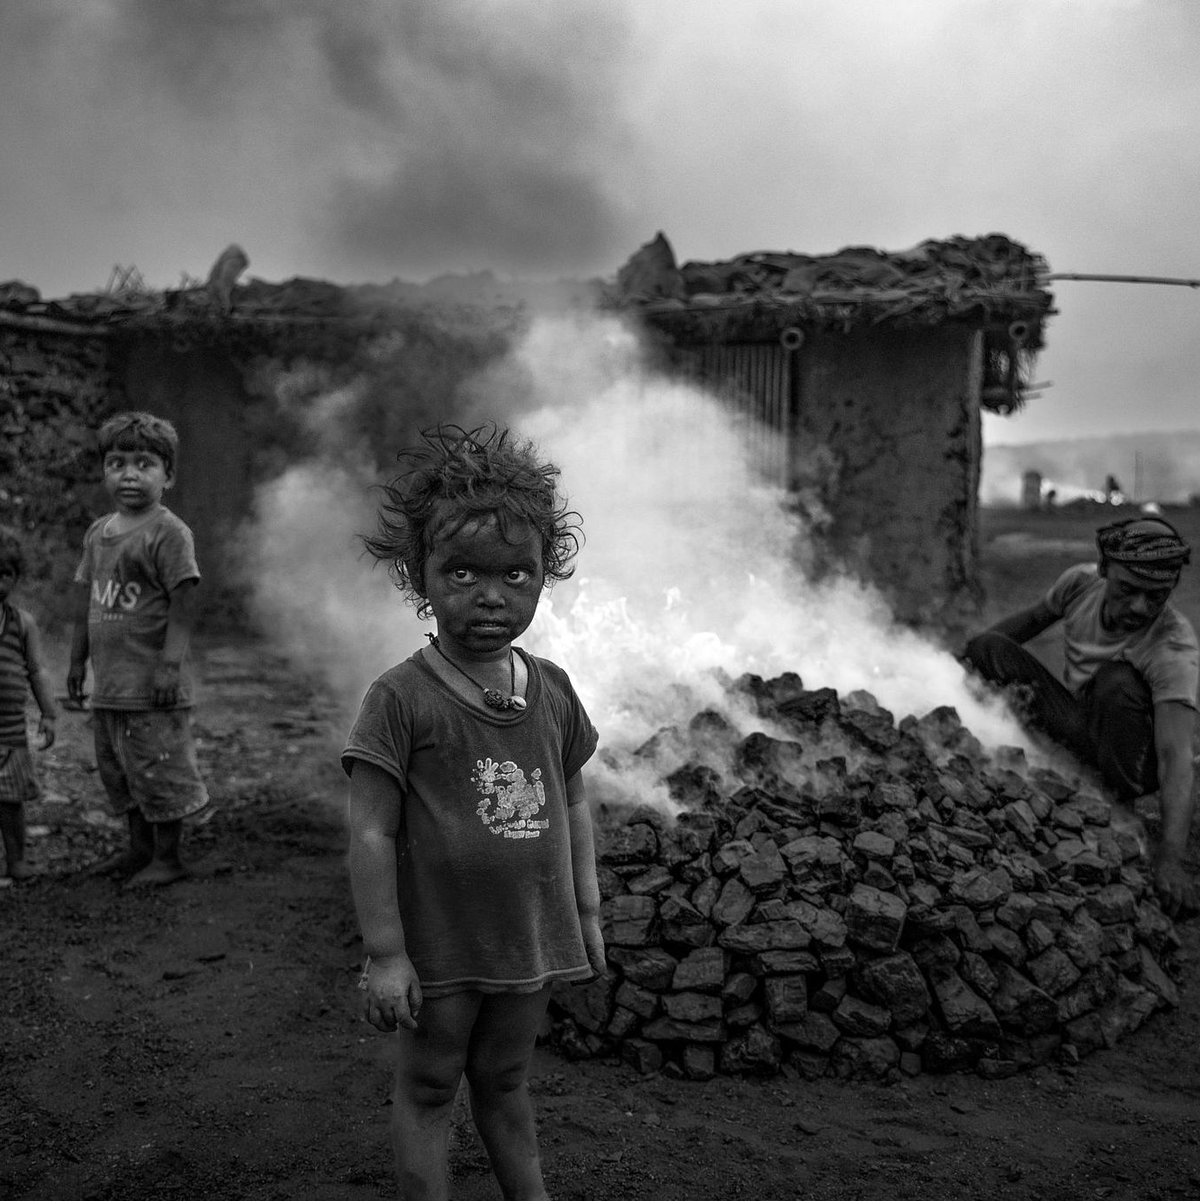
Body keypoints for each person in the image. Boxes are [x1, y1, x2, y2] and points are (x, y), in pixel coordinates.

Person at [343, 424, 605, 1200]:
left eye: (516, 574)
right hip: (441, 947)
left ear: (541, 578)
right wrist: (387, 952)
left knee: (506, 1078)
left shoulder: (550, 687)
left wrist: (585, 912)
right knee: (429, 1085)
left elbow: (575, 799)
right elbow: (370, 828)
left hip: (529, 939)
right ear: (419, 576)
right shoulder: (401, 697)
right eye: (460, 571)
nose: (491, 595)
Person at [962, 515, 1198, 916]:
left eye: (1157, 596)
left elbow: (1176, 756)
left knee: (1117, 681)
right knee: (986, 647)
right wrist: (951, 665)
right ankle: (1071, 776)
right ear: (1104, 570)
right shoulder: (1079, 584)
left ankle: (1112, 802)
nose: (1141, 607)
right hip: (1083, 729)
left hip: (1133, 762)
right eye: (1128, 590)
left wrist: (1171, 857)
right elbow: (1020, 629)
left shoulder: (1172, 647)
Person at [67, 411, 212, 887]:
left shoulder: (169, 532)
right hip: (110, 686)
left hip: (153, 686)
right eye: (117, 462)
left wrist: (170, 666)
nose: (129, 474)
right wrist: (75, 661)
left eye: (144, 463)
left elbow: (185, 600)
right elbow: (88, 600)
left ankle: (167, 858)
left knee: (159, 770)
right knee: (121, 772)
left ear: (167, 475)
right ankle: (138, 850)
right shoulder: (97, 534)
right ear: (104, 470)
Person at [0, 526, 57, 882]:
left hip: (9, 732)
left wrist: (49, 714)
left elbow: (36, 671)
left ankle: (16, 860)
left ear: (16, 578)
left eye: (4, 574)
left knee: (10, 801)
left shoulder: (22, 623)